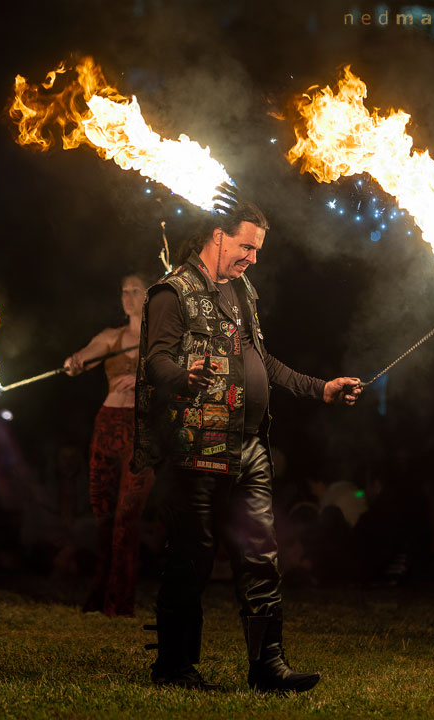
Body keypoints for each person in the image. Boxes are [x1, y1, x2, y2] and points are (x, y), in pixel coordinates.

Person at [133, 202, 361, 691]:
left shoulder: (241, 290)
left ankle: (268, 667)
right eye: (246, 247)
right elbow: (156, 361)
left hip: (249, 447)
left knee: (261, 556)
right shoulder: (171, 292)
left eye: (257, 249)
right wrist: (182, 375)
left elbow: (262, 360)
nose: (253, 258)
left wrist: (320, 388)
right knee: (191, 557)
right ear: (217, 235)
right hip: (196, 447)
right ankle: (174, 668)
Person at [64, 274, 155, 617]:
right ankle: (99, 594)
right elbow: (87, 355)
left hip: (142, 430)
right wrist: (77, 361)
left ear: (150, 296)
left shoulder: (163, 340)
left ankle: (119, 603)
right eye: (124, 291)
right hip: (107, 426)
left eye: (136, 291)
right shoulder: (112, 337)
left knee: (125, 518)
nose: (128, 297)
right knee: (103, 516)